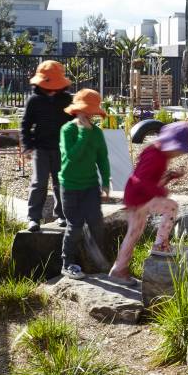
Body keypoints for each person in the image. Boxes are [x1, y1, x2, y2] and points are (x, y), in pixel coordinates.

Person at [108, 122, 188, 286]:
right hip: (140, 197)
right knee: (171, 206)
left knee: (134, 234)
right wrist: (161, 192)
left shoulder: (158, 153)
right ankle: (160, 245)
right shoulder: (156, 156)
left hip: (136, 197)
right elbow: (141, 180)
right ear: (171, 144)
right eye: (179, 150)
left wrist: (171, 176)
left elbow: (151, 177)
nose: (179, 154)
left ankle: (118, 270)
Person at [59, 88, 111, 280]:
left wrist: (105, 183)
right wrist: (82, 134)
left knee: (97, 222)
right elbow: (72, 157)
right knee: (75, 225)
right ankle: (67, 263)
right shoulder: (67, 131)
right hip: (70, 186)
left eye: (91, 112)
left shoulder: (97, 133)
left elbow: (102, 159)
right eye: (85, 111)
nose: (88, 115)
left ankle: (95, 260)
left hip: (90, 186)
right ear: (76, 111)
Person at [21, 60, 73, 233]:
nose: (51, 90)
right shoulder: (34, 101)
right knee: (39, 183)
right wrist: (28, 145)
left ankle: (62, 215)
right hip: (40, 148)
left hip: (62, 149)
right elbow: (26, 124)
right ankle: (33, 218)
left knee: (61, 183)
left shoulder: (67, 100)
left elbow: (74, 124)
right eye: (47, 86)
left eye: (55, 86)